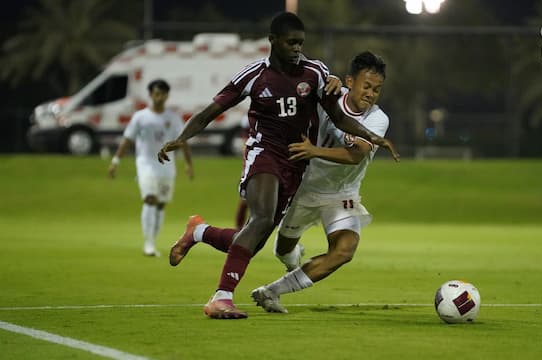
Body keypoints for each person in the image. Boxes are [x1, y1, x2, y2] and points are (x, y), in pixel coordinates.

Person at [158, 12, 399, 320]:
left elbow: (345, 131)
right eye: (291, 43)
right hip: (274, 159)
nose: (298, 48)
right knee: (261, 227)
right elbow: (210, 111)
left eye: (301, 43)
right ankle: (222, 293)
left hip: (315, 177)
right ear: (273, 41)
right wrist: (182, 138)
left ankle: (201, 234)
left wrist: (373, 137)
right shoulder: (262, 76)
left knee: (258, 237)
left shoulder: (317, 75)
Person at [250, 51, 389, 313]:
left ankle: (271, 291)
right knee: (283, 249)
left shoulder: (378, 119)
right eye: (366, 86)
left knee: (344, 250)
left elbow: (356, 155)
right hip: (303, 188)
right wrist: (327, 79)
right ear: (350, 81)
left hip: (341, 193)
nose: (371, 94)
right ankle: (292, 259)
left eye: (377, 90)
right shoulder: (328, 97)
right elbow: (301, 79)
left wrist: (314, 150)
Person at [108, 79, 193, 257]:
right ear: (150, 95)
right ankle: (148, 243)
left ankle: (153, 240)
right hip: (145, 163)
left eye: (162, 93)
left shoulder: (173, 118)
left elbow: (182, 140)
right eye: (155, 93)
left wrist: (188, 164)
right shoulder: (140, 117)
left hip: (166, 166)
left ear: (167, 95)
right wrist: (115, 161)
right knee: (150, 198)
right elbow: (127, 139)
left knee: (161, 204)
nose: (158, 97)